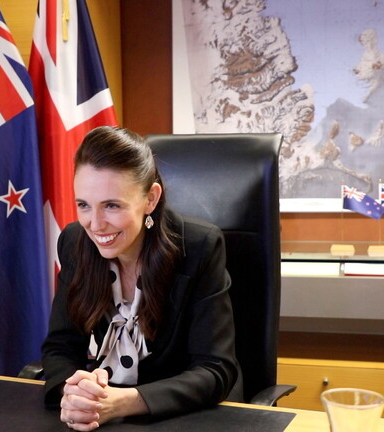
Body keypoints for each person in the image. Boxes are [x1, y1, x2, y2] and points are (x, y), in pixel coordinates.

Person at [41, 126, 240, 430]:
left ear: (150, 199)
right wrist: (75, 394)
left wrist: (123, 402)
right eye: (84, 205)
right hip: (103, 413)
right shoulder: (74, 242)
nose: (95, 225)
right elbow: (60, 348)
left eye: (112, 205)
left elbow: (215, 370)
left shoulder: (199, 247)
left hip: (183, 416)